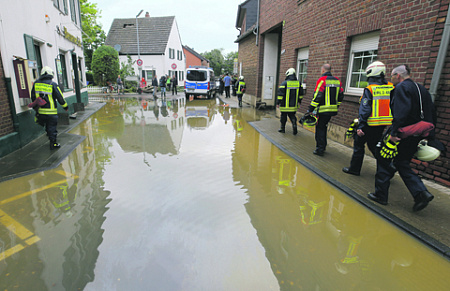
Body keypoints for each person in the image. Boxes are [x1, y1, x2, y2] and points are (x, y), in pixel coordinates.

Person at [368, 65, 436, 212]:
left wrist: (393, 133)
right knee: (402, 162)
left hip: (402, 133)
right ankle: (421, 193)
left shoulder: (401, 88)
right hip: (417, 133)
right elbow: (432, 111)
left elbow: (401, 112)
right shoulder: (421, 89)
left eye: (392, 76)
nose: (391, 79)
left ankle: (380, 195)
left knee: (383, 157)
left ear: (398, 76)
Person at [343, 61, 394, 176]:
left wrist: (361, 126)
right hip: (383, 124)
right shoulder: (391, 87)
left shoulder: (370, 89)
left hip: (369, 124)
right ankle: (388, 167)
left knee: (359, 146)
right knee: (374, 146)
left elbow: (365, 110)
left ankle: (354, 169)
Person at [305, 64, 344, 156]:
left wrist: (311, 108)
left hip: (322, 110)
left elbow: (317, 96)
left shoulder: (322, 80)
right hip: (332, 110)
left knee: (320, 128)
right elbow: (341, 95)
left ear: (323, 70)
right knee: (324, 127)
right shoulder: (337, 81)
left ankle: (320, 149)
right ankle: (323, 146)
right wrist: (336, 106)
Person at [30, 66, 68, 149]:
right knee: (52, 127)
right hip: (51, 112)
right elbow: (60, 97)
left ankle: (50, 135)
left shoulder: (36, 83)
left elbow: (33, 97)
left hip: (40, 112)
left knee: (47, 127)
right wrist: (65, 106)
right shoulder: (52, 84)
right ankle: (53, 143)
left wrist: (36, 108)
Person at [277, 68, 303, 135]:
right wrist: (299, 101)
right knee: (292, 116)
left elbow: (280, 95)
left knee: (283, 117)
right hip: (293, 105)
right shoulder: (299, 83)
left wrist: (278, 102)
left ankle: (282, 129)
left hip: (284, 105)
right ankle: (294, 127)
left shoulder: (284, 83)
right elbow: (301, 94)